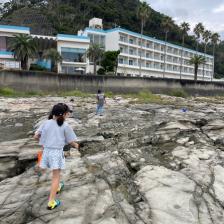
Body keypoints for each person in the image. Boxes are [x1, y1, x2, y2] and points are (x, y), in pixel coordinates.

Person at [34, 103, 79, 210]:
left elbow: (36, 136)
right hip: (57, 153)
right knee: (56, 176)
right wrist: (78, 146)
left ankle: (57, 186)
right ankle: (51, 201)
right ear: (64, 114)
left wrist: (44, 141)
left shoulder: (46, 123)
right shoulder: (65, 126)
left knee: (54, 173)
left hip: (46, 151)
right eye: (67, 113)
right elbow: (71, 142)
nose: (68, 115)